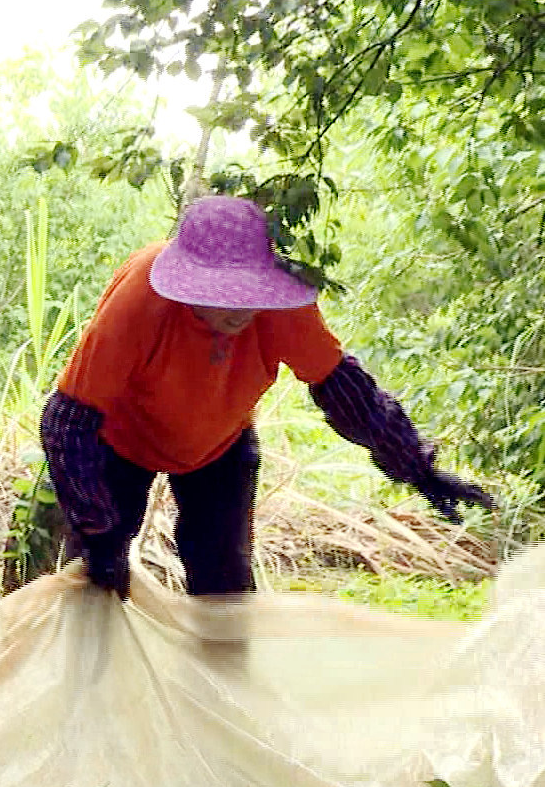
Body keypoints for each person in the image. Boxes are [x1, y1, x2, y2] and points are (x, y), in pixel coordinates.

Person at [42, 195, 496, 600]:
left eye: (250, 293)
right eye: (223, 294)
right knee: (94, 583)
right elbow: (68, 420)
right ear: (188, 285)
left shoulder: (284, 310)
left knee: (225, 584)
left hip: (218, 446)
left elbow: (349, 395)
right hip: (118, 442)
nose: (241, 309)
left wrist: (417, 468)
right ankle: (92, 689)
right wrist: (95, 522)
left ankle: (222, 691)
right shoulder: (141, 297)